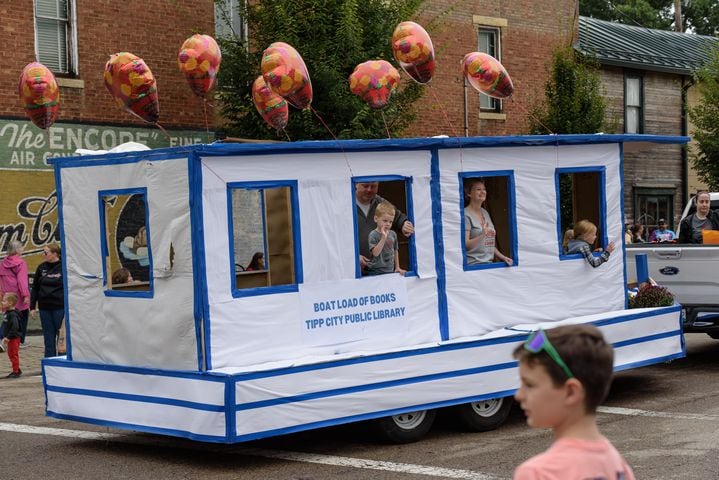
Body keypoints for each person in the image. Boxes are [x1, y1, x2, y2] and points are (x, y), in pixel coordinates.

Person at [513, 324, 635, 480]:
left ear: (571, 392)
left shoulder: (538, 473)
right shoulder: (619, 466)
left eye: (529, 385)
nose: (518, 395)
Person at [355, 182, 414, 272]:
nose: (369, 190)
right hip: (356, 271)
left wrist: (404, 224)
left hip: (382, 271)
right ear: (356, 184)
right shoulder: (346, 205)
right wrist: (354, 257)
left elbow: (397, 216)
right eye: (365, 186)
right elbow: (337, 239)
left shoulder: (380, 202)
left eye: (373, 186)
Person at [464, 178, 513, 265]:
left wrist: (503, 257)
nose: (483, 192)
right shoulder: (465, 214)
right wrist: (482, 235)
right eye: (478, 189)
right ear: (469, 193)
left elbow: (488, 243)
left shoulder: (485, 212)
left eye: (484, 189)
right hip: (474, 265)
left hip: (488, 264)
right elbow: (466, 245)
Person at [31, 244, 65, 358]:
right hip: (44, 307)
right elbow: (35, 288)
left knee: (62, 335)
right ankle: (49, 360)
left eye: (46, 252)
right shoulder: (41, 267)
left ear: (55, 254)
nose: (43, 255)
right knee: (48, 336)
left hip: (59, 307)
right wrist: (32, 307)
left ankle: (62, 358)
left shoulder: (63, 267)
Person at [0, 240, 31, 347]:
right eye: (22, 247)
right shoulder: (21, 263)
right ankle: (20, 341)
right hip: (18, 296)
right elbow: (22, 281)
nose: (23, 249)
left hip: (7, 295)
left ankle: (2, 339)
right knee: (22, 318)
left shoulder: (3, 263)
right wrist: (25, 295)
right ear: (17, 249)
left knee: (7, 318)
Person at [366, 202, 406, 276]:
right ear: (376, 219)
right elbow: (375, 253)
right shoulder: (373, 234)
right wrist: (383, 238)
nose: (388, 224)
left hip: (389, 270)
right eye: (385, 221)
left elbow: (395, 250)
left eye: (390, 222)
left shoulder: (393, 234)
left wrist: (397, 267)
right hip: (375, 272)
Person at [1, 293, 22, 378]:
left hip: (13, 338)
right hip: (10, 338)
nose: (2, 302)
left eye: (4, 300)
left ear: (10, 303)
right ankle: (16, 369)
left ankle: (16, 371)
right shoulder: (7, 312)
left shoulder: (12, 314)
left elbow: (15, 327)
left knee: (13, 354)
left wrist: (8, 337)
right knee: (11, 354)